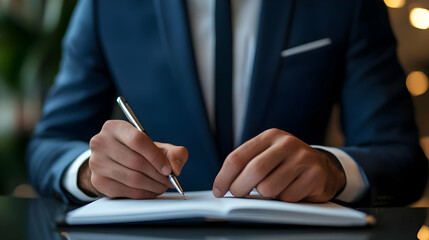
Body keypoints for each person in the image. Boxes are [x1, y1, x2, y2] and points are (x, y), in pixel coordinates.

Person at [27, 0, 427, 207]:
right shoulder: (105, 6)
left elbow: (402, 159)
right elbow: (50, 145)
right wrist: (88, 172)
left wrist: (333, 170)